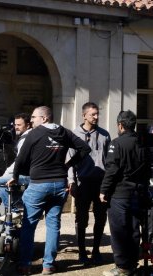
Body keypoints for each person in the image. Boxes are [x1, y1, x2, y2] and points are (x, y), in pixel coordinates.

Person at [7, 106, 91, 275]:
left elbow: (21, 158)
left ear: (44, 118)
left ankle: (25, 265)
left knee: (29, 225)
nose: (31, 120)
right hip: (60, 184)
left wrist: (15, 176)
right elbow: (85, 149)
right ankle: (48, 265)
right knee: (53, 225)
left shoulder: (34, 134)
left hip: (39, 184)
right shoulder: (64, 132)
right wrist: (67, 164)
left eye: (34, 117)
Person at [100, 110, 151, 276]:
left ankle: (123, 267)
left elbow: (112, 170)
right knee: (134, 230)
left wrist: (103, 190)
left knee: (119, 231)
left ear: (120, 125)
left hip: (120, 194)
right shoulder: (142, 143)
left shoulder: (117, 143)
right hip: (138, 192)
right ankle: (132, 263)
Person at [67, 102, 111, 265]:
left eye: (97, 114)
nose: (96, 117)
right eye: (93, 114)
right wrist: (71, 181)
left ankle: (96, 250)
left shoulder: (105, 135)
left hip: (100, 183)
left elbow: (109, 161)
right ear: (84, 115)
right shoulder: (74, 135)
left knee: (100, 218)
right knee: (82, 218)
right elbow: (69, 161)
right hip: (83, 182)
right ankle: (81, 251)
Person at [0, 113, 32, 209]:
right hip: (29, 174)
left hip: (27, 176)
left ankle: (12, 207)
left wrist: (7, 173)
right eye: (15, 125)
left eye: (19, 125)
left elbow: (20, 160)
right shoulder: (30, 136)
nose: (16, 127)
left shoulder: (25, 139)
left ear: (28, 125)